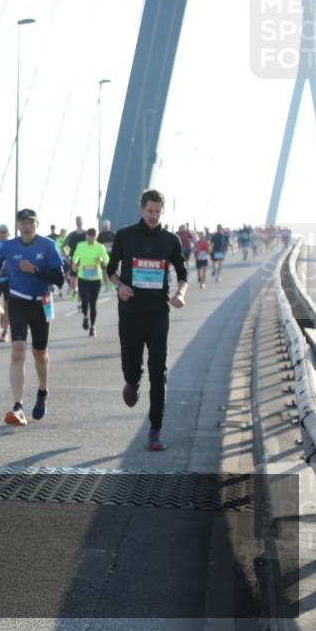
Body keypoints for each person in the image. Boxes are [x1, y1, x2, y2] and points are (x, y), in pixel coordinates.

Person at [107, 189, 188, 452]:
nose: (153, 216)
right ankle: (132, 380)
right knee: (131, 368)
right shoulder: (125, 236)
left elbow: (183, 274)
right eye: (149, 211)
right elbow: (110, 270)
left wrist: (181, 293)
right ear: (141, 209)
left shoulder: (170, 240)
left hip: (157, 315)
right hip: (130, 313)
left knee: (159, 371)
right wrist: (119, 286)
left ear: (162, 212)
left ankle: (155, 429)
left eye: (157, 212)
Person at [0, 209, 65, 425]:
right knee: (17, 352)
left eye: (31, 222)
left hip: (41, 303)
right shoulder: (9, 246)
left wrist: (35, 270)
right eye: (23, 222)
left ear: (37, 224)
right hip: (18, 302)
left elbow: (59, 279)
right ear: (18, 225)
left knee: (40, 354)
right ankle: (17, 406)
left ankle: (42, 392)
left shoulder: (48, 245)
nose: (27, 226)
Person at [72, 228, 110, 336]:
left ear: (96, 237)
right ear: (86, 237)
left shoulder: (100, 247)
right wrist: (74, 263)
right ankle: (85, 317)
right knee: (84, 301)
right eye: (88, 238)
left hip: (95, 279)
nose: (90, 240)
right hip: (83, 277)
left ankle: (93, 327)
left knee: (93, 304)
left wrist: (102, 260)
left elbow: (107, 259)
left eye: (92, 239)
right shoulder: (81, 245)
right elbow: (75, 257)